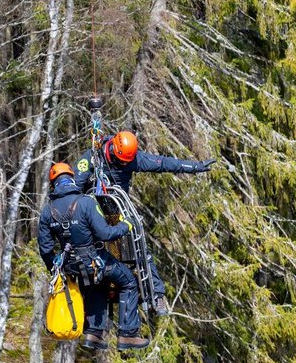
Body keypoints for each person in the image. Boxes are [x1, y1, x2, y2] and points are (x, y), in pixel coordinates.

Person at [74, 131, 214, 316]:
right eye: (121, 161)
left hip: (117, 214)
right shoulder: (94, 157)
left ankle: (157, 295)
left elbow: (163, 163)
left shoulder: (133, 159)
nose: (124, 164)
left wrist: (194, 167)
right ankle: (93, 319)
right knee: (94, 264)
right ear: (113, 151)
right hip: (93, 215)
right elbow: (74, 184)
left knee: (140, 250)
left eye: (127, 162)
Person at [37, 162, 149, 351]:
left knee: (96, 287)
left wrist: (58, 271)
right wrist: (126, 225)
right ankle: (128, 335)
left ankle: (93, 334)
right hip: (96, 261)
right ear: (72, 179)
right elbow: (105, 234)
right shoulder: (86, 202)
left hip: (72, 268)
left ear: (53, 184)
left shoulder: (48, 212)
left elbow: (46, 249)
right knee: (129, 281)